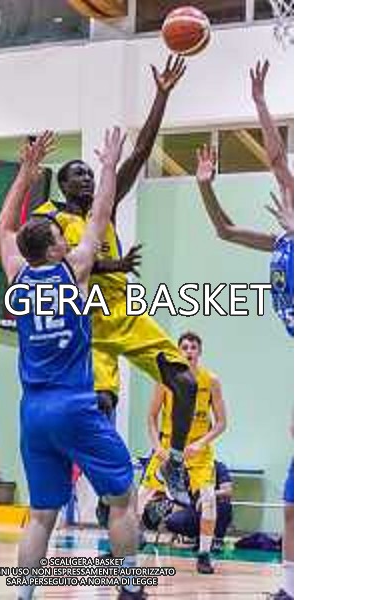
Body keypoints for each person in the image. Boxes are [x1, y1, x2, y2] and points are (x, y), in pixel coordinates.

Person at [34, 56, 197, 504]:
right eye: (78, 174)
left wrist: (161, 95)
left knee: (186, 383)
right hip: (82, 322)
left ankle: (175, 461)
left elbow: (140, 152)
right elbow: (52, 265)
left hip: (122, 313)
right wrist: (110, 266)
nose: (87, 178)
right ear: (63, 185)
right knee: (101, 405)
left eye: (90, 172)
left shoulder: (105, 207)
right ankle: (99, 491)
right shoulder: (47, 218)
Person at [0, 130, 145, 600]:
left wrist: (26, 172)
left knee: (42, 514)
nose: (67, 236)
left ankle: (24, 595)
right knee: (122, 497)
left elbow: (5, 229)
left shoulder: (17, 275)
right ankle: (130, 587)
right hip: (75, 404)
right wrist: (109, 165)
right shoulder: (73, 270)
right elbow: (101, 212)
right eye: (61, 235)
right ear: (55, 248)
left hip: (33, 412)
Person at [195, 60, 294, 599]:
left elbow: (279, 162)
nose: (287, 193)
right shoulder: (281, 241)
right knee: (293, 499)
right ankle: (291, 586)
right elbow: (224, 229)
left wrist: (260, 104)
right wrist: (205, 187)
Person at [140, 331, 227, 574]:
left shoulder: (211, 380)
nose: (189, 351)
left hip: (198, 450)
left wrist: (202, 443)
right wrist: (157, 447)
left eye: (193, 347)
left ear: (199, 352)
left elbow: (221, 423)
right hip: (169, 448)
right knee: (141, 496)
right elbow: (151, 417)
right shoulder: (165, 380)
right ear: (178, 352)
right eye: (185, 347)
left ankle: (204, 554)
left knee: (209, 499)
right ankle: (126, 544)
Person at [162, 460, 233, 553]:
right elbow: (181, 498)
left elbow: (227, 491)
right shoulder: (186, 469)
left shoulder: (218, 466)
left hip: (215, 506)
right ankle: (199, 538)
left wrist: (207, 496)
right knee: (172, 521)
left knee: (224, 506)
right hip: (195, 509)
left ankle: (217, 539)